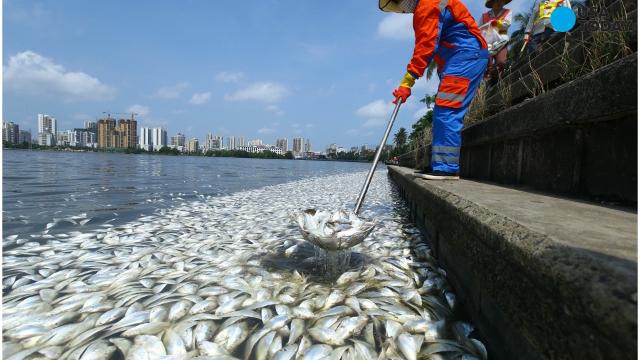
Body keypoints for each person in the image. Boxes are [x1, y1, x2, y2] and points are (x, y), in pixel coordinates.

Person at [380, 0, 489, 180]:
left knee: (447, 110)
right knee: (442, 111)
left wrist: (407, 82)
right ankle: (440, 163)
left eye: (398, 3)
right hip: (460, 59)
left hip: (464, 58)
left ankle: (446, 168)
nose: (400, 8)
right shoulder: (432, 3)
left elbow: (426, 46)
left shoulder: (428, 5)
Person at [480, 0, 512, 81]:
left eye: (501, 1)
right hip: (486, 44)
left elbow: (506, 24)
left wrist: (491, 24)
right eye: (496, 1)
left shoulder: (507, 12)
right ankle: (487, 84)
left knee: (501, 63)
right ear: (492, 3)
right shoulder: (484, 16)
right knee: (487, 65)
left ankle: (499, 82)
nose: (499, 2)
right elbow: (479, 30)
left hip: (501, 42)